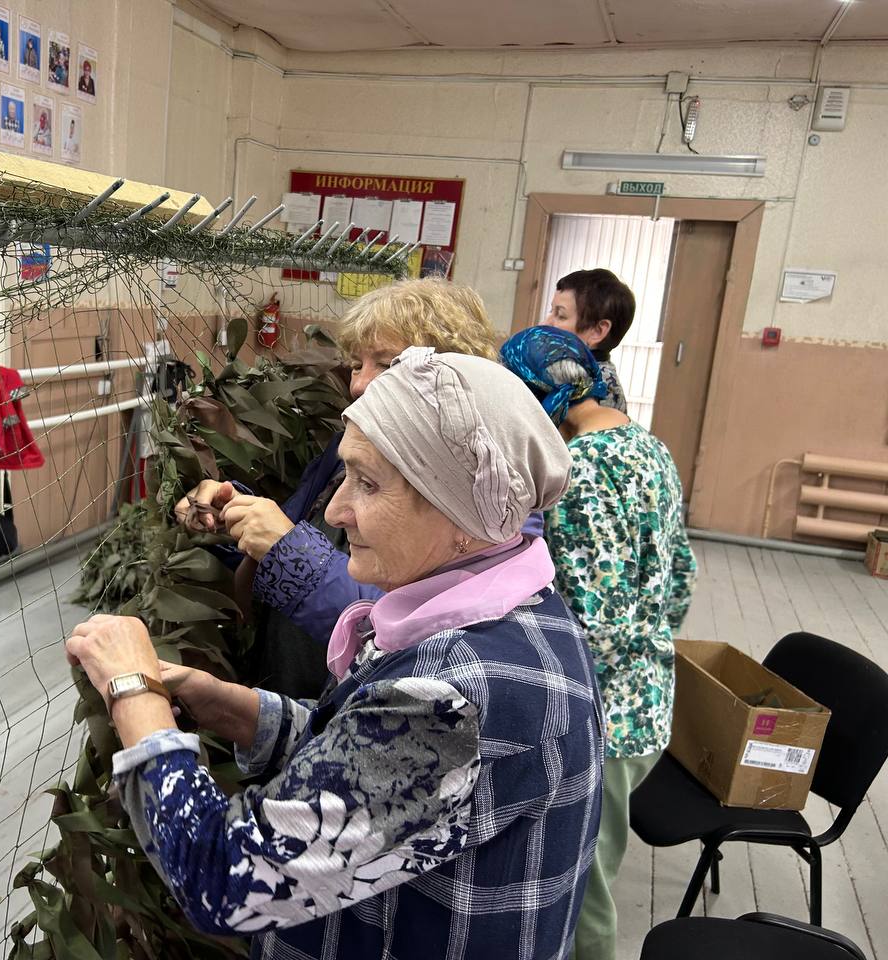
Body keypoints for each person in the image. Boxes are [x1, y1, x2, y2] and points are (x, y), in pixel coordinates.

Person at [66, 344, 602, 959]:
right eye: (345, 476)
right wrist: (236, 709)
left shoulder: (452, 699)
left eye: (368, 484)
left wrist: (133, 693)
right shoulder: (510, 611)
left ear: (463, 511)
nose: (337, 509)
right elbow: (370, 761)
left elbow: (224, 877)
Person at [176, 279, 505, 700]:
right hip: (294, 696)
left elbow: (418, 625)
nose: (359, 385)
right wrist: (229, 514)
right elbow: (287, 530)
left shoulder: (484, 487)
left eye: (385, 364)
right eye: (355, 365)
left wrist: (290, 552)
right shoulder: (344, 449)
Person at [500, 326, 696, 960]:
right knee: (592, 870)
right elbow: (682, 575)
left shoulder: (578, 471)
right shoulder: (648, 445)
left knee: (581, 889)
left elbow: (599, 626)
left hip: (604, 719)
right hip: (649, 698)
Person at [543, 268, 635, 413]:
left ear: (597, 331)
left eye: (560, 315)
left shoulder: (601, 390)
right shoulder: (564, 369)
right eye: (551, 311)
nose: (545, 323)